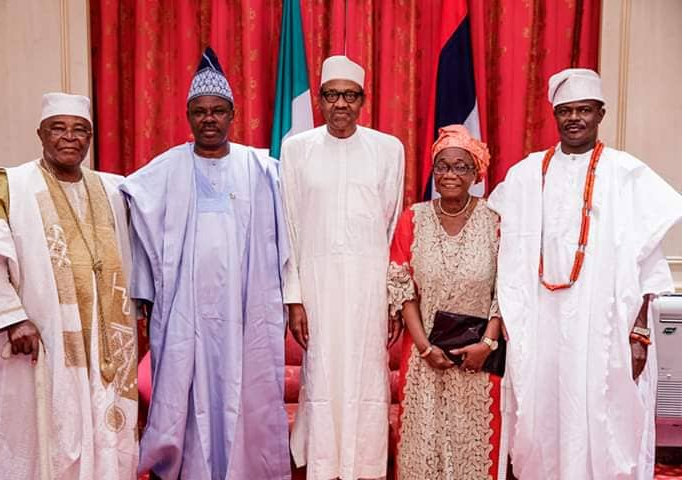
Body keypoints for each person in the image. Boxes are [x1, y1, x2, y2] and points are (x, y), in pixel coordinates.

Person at [487, 68, 682, 480]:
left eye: (584, 110)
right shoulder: (526, 175)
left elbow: (648, 266)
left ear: (601, 113)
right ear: (554, 116)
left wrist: (640, 335)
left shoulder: (625, 174)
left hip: (604, 329)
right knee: (543, 415)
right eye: (565, 111)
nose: (574, 118)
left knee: (604, 415)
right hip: (541, 329)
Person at [121, 47, 291, 480]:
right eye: (200, 112)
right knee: (187, 394)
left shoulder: (261, 169)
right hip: (184, 314)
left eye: (218, 111)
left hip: (245, 312)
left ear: (233, 114)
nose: (209, 119)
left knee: (247, 395)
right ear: (188, 115)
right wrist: (143, 290)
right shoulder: (164, 170)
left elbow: (292, 232)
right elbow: (125, 209)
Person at [0, 92, 138, 479]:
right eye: (58, 128)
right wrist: (12, 320)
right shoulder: (7, 185)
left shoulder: (114, 190)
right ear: (40, 134)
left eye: (80, 130)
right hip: (39, 342)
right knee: (39, 437)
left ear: (90, 138)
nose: (69, 137)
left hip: (105, 344)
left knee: (104, 436)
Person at [281, 55, 405, 480]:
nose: (340, 104)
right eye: (332, 95)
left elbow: (393, 229)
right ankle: (323, 463)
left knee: (367, 376)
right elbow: (290, 226)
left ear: (363, 100)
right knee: (322, 373)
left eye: (349, 96)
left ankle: (365, 466)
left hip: (370, 286)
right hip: (317, 283)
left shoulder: (389, 149)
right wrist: (294, 299)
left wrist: (392, 297)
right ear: (319, 99)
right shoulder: (296, 149)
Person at [387, 125, 504, 479]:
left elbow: (507, 289)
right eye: (442, 166)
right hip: (424, 357)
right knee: (422, 450)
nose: (450, 174)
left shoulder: (495, 221)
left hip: (480, 359)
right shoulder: (413, 218)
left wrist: (487, 343)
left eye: (460, 166)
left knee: (473, 450)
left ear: (476, 173)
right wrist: (424, 347)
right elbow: (401, 285)